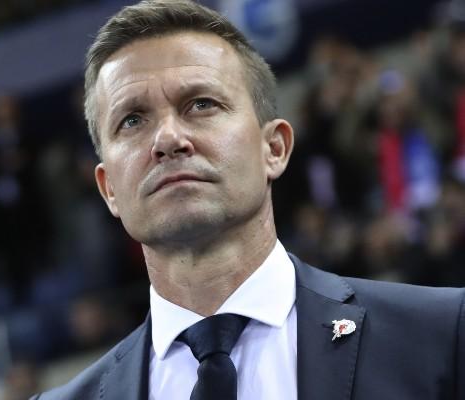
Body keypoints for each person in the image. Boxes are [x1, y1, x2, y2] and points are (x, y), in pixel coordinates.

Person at [32, 1, 465, 399]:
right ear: (109, 188)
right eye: (131, 120)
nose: (167, 138)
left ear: (273, 148)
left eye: (200, 104)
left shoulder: (442, 337)